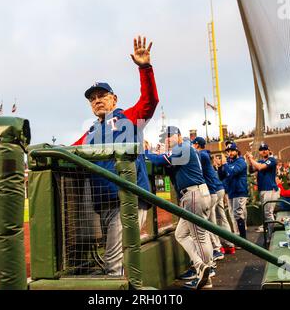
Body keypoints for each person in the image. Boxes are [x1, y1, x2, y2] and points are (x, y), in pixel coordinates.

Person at [72, 36, 159, 276]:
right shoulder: (91, 132)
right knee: (118, 262)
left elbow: (150, 101)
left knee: (112, 265)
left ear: (114, 99)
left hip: (129, 201)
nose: (97, 100)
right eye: (92, 98)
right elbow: (67, 152)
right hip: (106, 204)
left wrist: (145, 68)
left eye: (102, 95)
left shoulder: (127, 117)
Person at [145, 127, 213, 289]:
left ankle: (207, 277)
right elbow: (169, 164)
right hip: (195, 193)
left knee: (199, 236)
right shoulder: (184, 149)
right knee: (181, 234)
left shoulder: (183, 148)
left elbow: (159, 161)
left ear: (179, 136)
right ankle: (201, 266)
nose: (167, 139)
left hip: (193, 194)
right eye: (165, 137)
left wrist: (146, 152)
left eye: (170, 136)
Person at [192, 137, 236, 257]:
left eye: (193, 145)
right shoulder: (205, 155)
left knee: (210, 221)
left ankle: (217, 248)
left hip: (213, 190)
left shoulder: (200, 155)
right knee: (221, 218)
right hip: (218, 188)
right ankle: (229, 244)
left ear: (196, 145)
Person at [245, 143, 279, 233]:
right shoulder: (260, 161)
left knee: (268, 213)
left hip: (270, 189)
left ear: (268, 150)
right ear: (260, 152)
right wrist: (249, 159)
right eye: (261, 149)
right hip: (263, 189)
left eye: (265, 149)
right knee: (266, 213)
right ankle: (269, 231)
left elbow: (260, 168)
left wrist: (251, 159)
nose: (263, 151)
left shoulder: (272, 159)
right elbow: (251, 170)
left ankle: (272, 234)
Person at [219, 142, 249, 239]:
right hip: (231, 192)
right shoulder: (228, 162)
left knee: (238, 214)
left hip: (240, 191)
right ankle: (238, 237)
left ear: (236, 151)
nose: (230, 153)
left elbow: (232, 172)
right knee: (233, 215)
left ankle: (244, 240)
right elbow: (221, 176)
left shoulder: (241, 161)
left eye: (232, 150)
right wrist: (220, 167)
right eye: (228, 151)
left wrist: (224, 164)